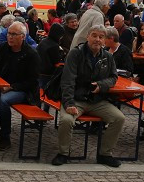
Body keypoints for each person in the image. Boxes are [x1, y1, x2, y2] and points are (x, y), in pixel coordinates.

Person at [51, 27, 125, 168]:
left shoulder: (107, 57)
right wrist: (68, 103)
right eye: (94, 36)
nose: (97, 39)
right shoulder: (75, 54)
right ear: (87, 37)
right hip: (76, 99)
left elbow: (113, 77)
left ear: (104, 40)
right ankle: (63, 153)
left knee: (119, 118)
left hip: (96, 100)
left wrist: (101, 85)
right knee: (66, 120)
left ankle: (105, 154)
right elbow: (68, 80)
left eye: (101, 37)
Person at [0, 21, 41, 151]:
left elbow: (32, 81)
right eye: (8, 34)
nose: (10, 37)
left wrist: (11, 87)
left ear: (23, 36)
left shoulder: (31, 54)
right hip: (2, 85)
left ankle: (5, 137)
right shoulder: (3, 48)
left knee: (3, 100)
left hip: (23, 90)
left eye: (14, 34)